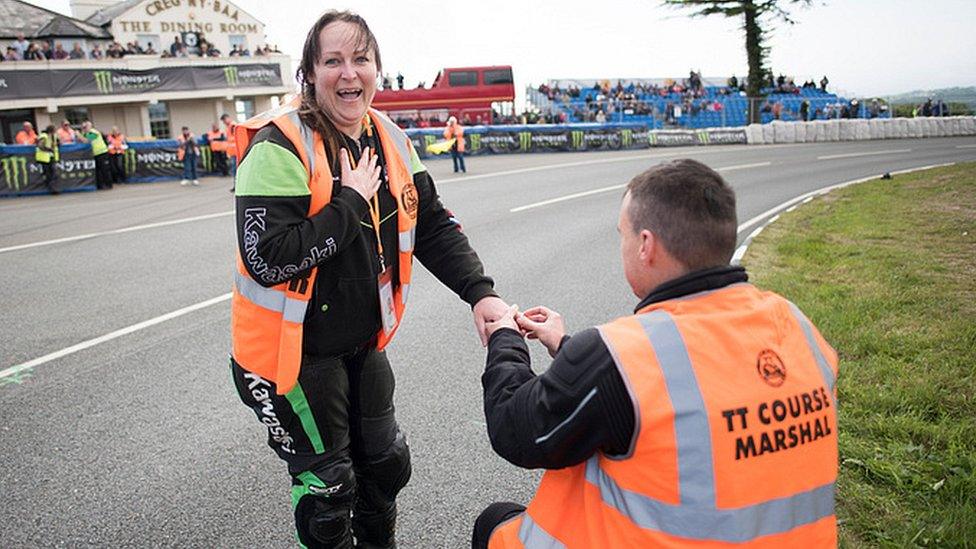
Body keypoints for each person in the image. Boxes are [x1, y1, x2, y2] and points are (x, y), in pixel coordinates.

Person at [229, 10, 507, 548]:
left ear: (378, 69)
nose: (349, 73)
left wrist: (480, 293)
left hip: (361, 344)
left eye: (361, 59)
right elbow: (267, 258)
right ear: (309, 73)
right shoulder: (278, 146)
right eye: (333, 61)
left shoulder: (391, 139)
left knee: (384, 469)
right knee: (329, 496)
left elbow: (431, 224)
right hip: (290, 358)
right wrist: (351, 201)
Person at [474, 159, 839, 548]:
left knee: (496, 525)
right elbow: (697, 383)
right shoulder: (797, 326)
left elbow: (514, 429)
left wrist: (506, 339)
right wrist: (565, 346)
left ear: (646, 245)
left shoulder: (619, 356)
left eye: (623, 235)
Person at [79, 121, 112, 190]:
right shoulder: (87, 133)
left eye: (86, 127)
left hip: (102, 152)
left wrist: (78, 134)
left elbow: (86, 141)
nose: (85, 128)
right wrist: (81, 132)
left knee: (104, 170)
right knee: (98, 171)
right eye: (84, 127)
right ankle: (100, 185)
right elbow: (81, 139)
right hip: (96, 154)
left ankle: (108, 185)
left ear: (90, 126)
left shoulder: (93, 132)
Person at [35, 125, 60, 194]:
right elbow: (40, 145)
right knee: (48, 174)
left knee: (54, 173)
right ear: (51, 130)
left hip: (51, 157)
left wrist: (57, 143)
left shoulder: (53, 136)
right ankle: (52, 188)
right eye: (54, 130)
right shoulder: (44, 136)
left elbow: (57, 143)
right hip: (44, 158)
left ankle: (54, 188)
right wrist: (49, 149)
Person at [220, 113, 238, 190]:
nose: (224, 123)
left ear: (227, 118)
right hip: (232, 152)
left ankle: (237, 186)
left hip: (235, 152)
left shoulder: (233, 126)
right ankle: (236, 186)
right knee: (234, 170)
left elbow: (236, 138)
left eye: (224, 121)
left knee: (235, 170)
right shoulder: (229, 127)